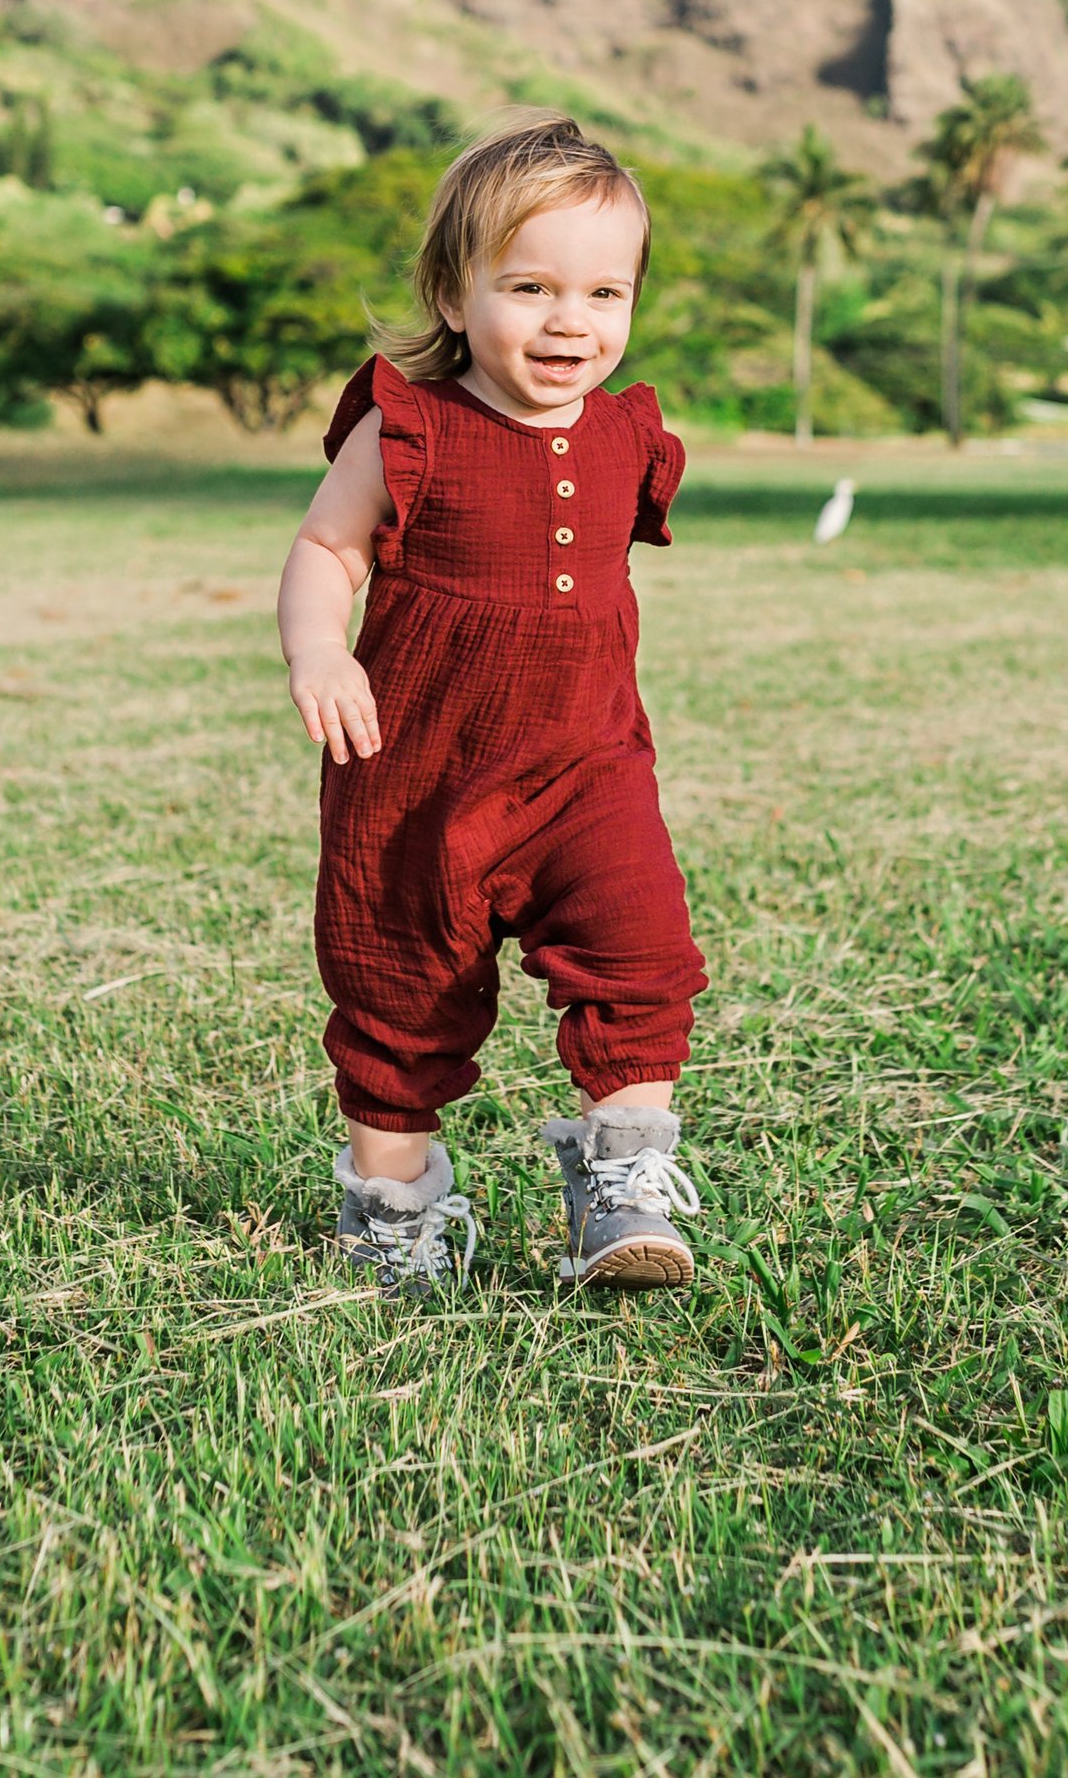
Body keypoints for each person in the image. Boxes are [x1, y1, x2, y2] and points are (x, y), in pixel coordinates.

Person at [276, 113, 706, 1293]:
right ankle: (393, 1208)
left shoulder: (627, 432)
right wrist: (321, 651)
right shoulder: (409, 427)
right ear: (454, 296)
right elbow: (326, 543)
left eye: (604, 291)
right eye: (531, 285)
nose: (572, 320)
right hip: (415, 772)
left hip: (587, 768)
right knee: (395, 984)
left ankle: (621, 1183)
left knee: (641, 945)